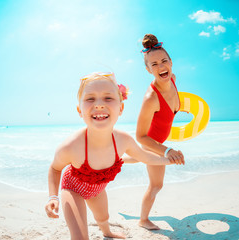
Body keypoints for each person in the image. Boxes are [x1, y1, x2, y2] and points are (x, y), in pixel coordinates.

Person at [44, 72, 184, 239]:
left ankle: (107, 232)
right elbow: (54, 168)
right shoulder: (71, 146)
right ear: (79, 110)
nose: (99, 105)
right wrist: (53, 197)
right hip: (73, 188)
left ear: (121, 108)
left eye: (108, 98)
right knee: (80, 237)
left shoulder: (123, 140)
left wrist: (168, 160)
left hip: (97, 189)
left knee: (103, 218)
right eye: (90, 99)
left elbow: (144, 157)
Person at [136, 34, 185, 230]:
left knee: (135, 157)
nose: (161, 66)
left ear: (171, 62)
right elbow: (140, 136)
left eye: (164, 61)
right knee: (156, 185)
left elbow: (172, 105)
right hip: (152, 144)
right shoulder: (150, 98)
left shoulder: (172, 79)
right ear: (148, 69)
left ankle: (116, 160)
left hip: (159, 140)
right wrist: (166, 151)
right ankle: (143, 220)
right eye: (154, 64)